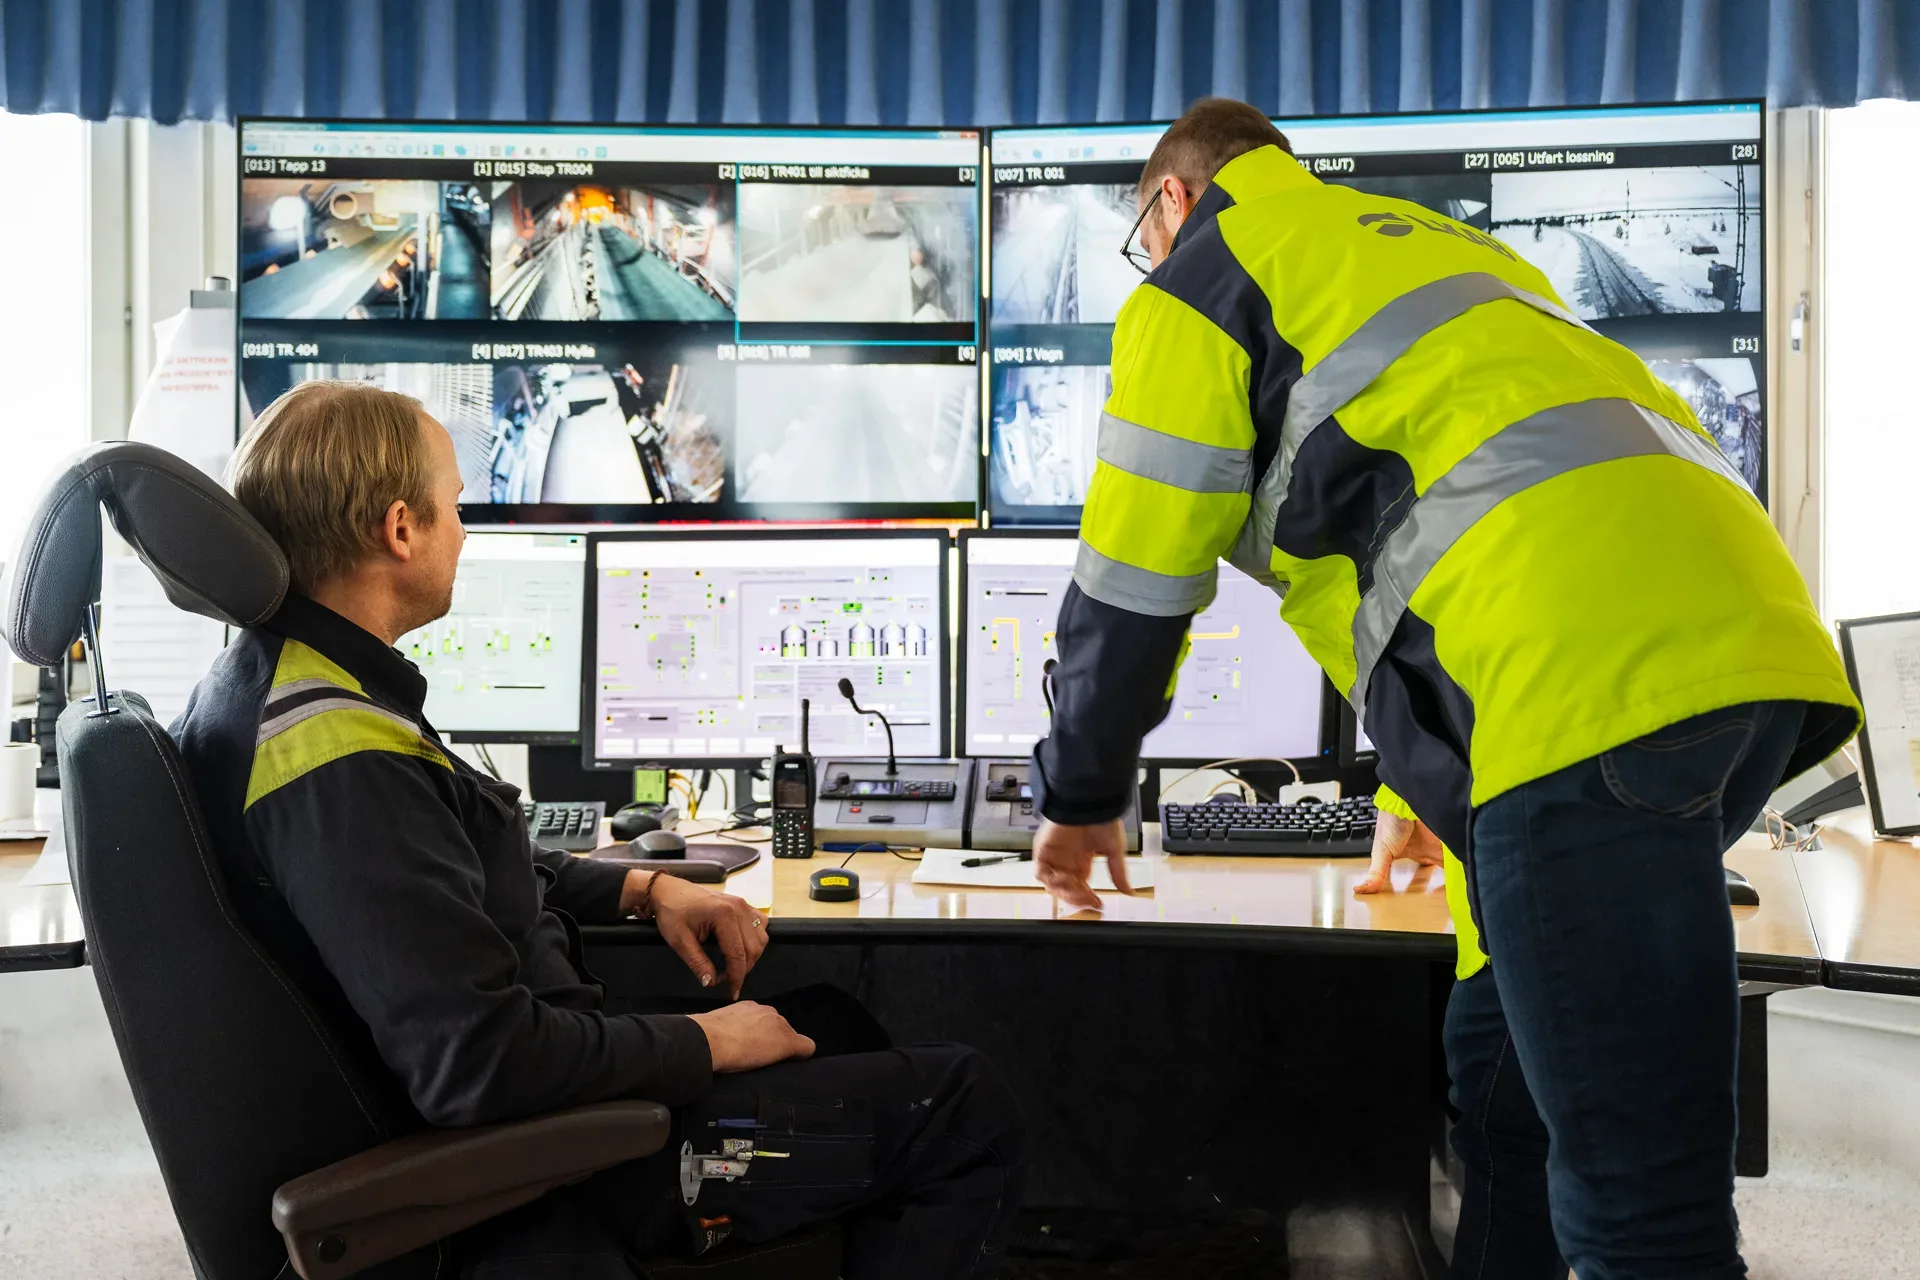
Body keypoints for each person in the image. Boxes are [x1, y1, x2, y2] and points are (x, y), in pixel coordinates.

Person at [1028, 98, 1859, 1279]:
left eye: (1141, 241)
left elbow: (1133, 575)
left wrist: (1079, 789)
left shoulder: (1204, 274)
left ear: (1173, 200)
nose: (1145, 267)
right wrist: (1430, 779)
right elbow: (1477, 510)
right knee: (1499, 1079)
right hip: (1738, 650)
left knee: (1637, 1206)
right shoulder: (1436, 243)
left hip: (1578, 690)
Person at [173, 381, 1022, 1277]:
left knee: (831, 1022)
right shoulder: (340, 762)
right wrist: (705, 1043)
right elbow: (478, 1064)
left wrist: (641, 884)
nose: (464, 530)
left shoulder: (284, 687)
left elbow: (444, 875)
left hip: (539, 1109)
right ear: (400, 529)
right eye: (456, 504)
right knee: (962, 1106)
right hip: (549, 1166)